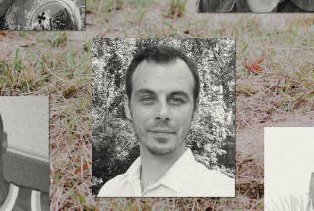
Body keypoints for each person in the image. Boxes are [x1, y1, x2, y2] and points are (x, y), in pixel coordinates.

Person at [97, 45, 234, 197]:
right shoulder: (110, 191)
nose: (162, 113)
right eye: (147, 99)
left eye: (176, 100)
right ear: (128, 108)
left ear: (195, 110)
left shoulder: (223, 192)